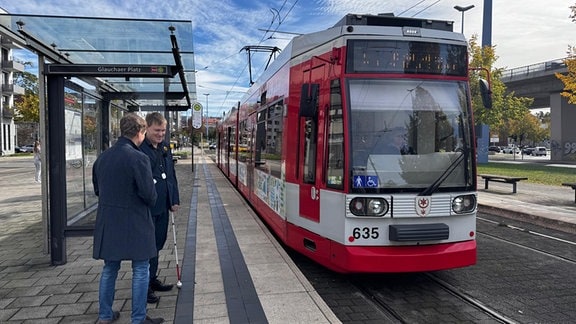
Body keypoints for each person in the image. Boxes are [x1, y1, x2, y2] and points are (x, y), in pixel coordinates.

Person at [92, 113, 164, 324]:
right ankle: (138, 318)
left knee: (110, 268)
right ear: (141, 133)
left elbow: (98, 190)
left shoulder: (102, 158)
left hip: (109, 222)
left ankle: (105, 315)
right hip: (135, 223)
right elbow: (149, 195)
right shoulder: (139, 158)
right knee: (141, 268)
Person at [140, 112, 180, 303]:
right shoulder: (140, 149)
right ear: (146, 128)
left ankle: (152, 278)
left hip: (164, 205)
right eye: (157, 130)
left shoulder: (165, 146)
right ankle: (145, 286)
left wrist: (174, 199)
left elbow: (171, 175)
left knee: (159, 243)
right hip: (148, 207)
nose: (161, 134)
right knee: (148, 247)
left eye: (163, 130)